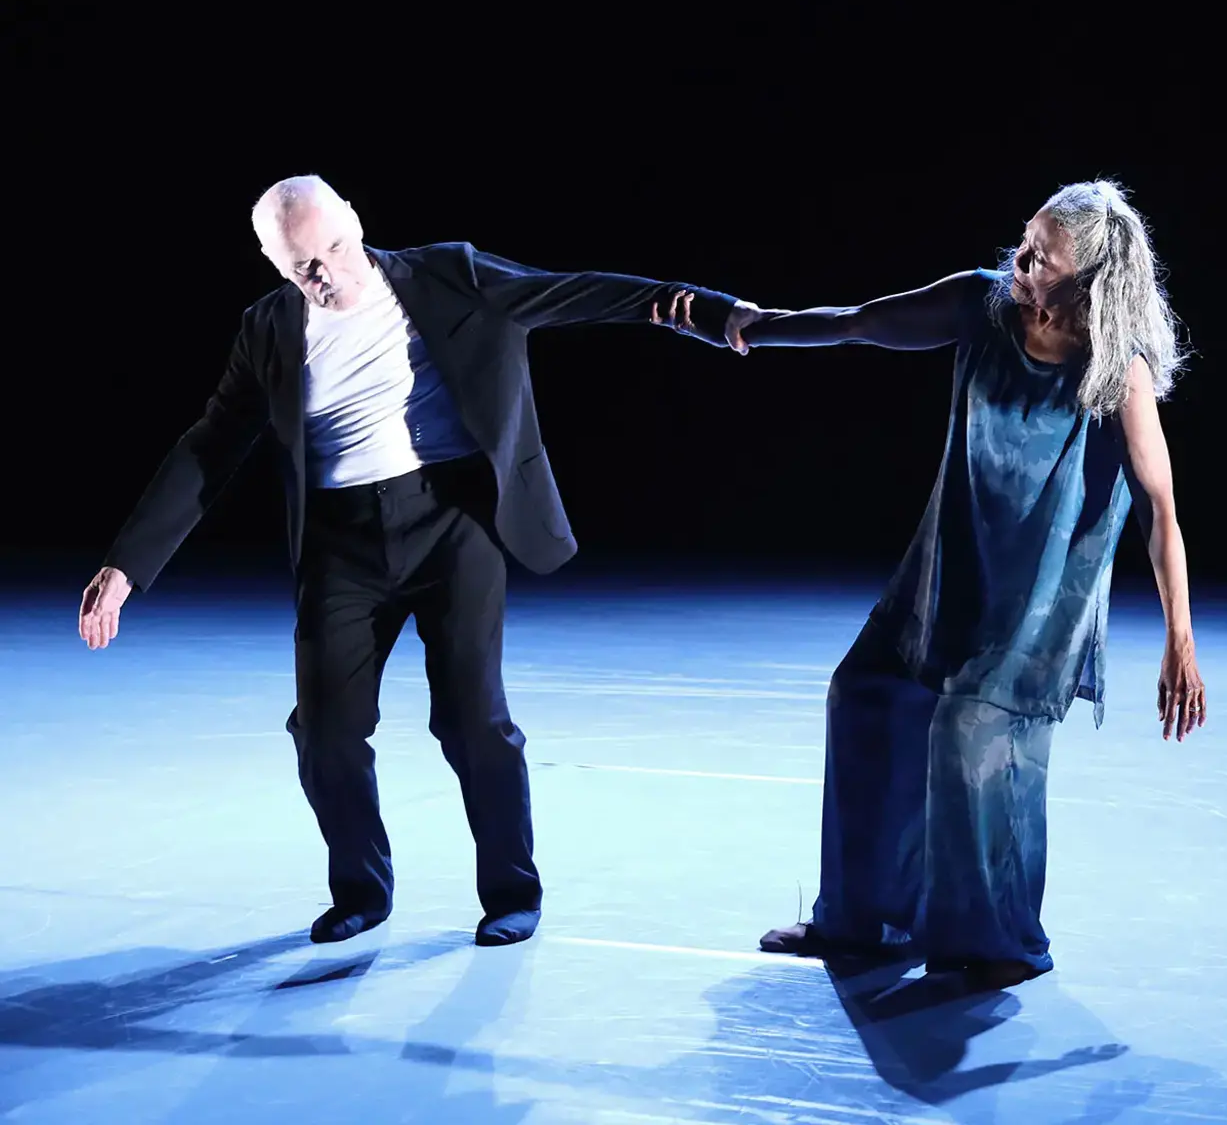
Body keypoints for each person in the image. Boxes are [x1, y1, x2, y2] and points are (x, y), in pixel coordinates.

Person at [76, 175, 742, 946]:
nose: (327, 272)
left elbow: (575, 293)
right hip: (342, 540)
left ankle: (511, 891)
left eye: (334, 246)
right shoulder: (267, 330)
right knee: (323, 732)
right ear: (274, 265)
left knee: (471, 720)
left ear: (354, 221)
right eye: (303, 266)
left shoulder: (445, 274)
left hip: (453, 520)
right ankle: (361, 890)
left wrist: (707, 312)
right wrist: (126, 564)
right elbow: (211, 444)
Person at [658, 180, 1204, 989]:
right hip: (956, 557)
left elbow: (1159, 506)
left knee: (974, 728)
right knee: (864, 692)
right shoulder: (979, 307)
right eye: (1023, 240)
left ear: (1085, 279)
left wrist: (1179, 641)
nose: (1018, 261)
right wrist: (753, 326)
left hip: (1043, 590)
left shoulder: (1113, 370)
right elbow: (859, 324)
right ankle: (868, 919)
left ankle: (1000, 941)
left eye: (1041, 256)